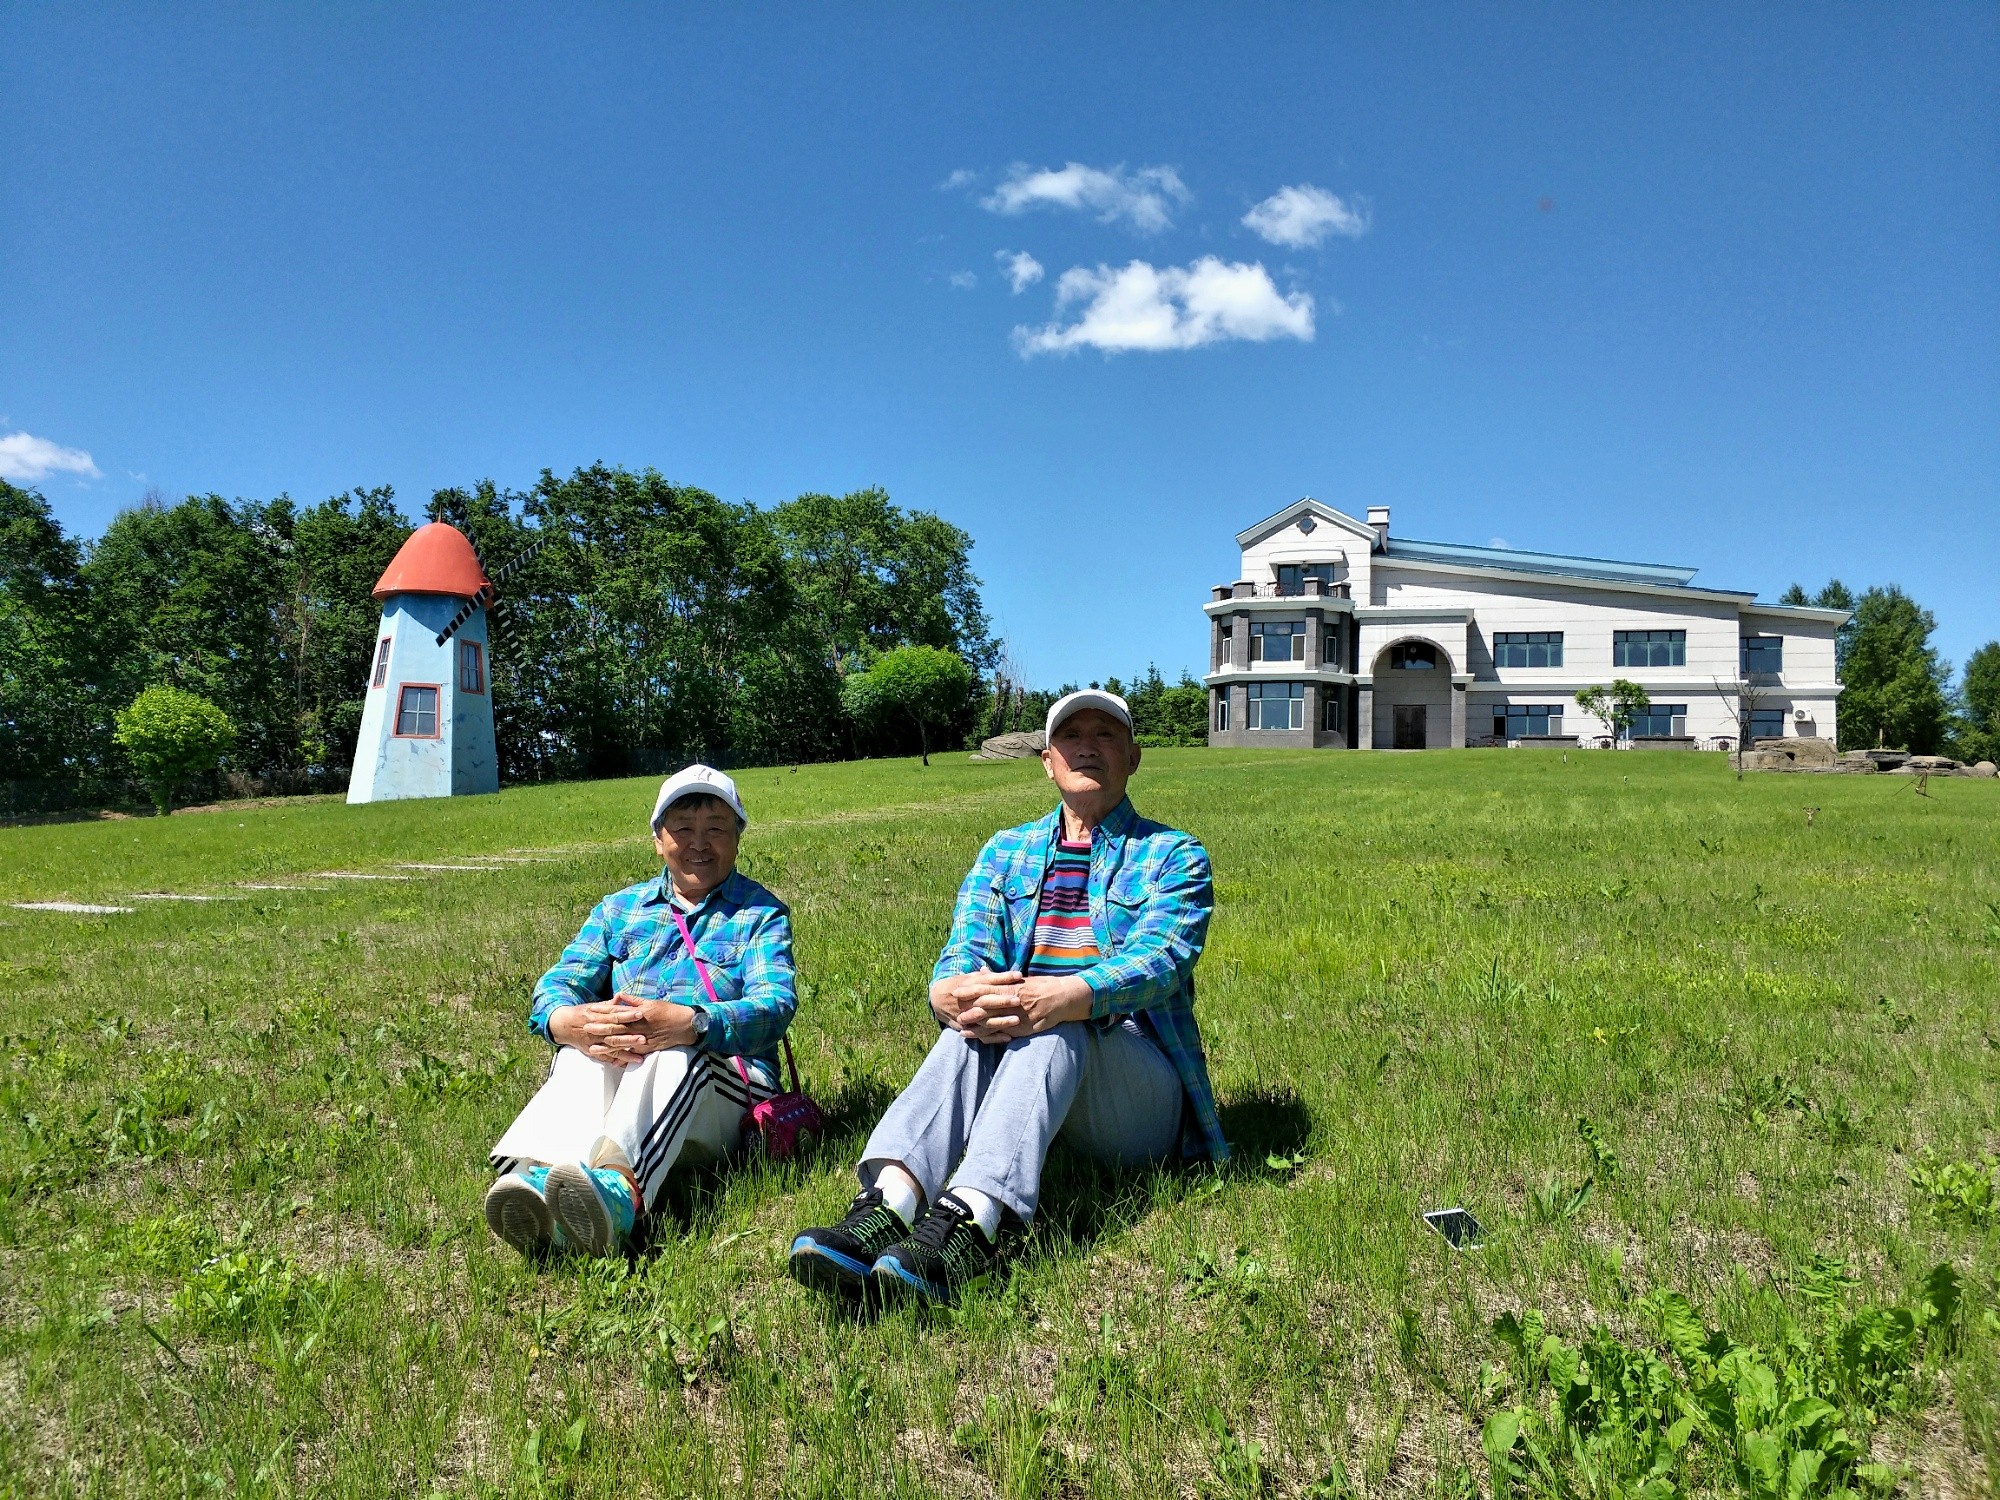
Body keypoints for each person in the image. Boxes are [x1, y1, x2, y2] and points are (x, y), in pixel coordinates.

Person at [788, 690, 1223, 1303]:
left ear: (1133, 757)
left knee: (1061, 1022)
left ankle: (971, 1223)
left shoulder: (1172, 855)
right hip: (1022, 1074)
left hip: (1133, 1094)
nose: (1089, 747)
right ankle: (887, 1203)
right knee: (969, 1027)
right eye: (1073, 737)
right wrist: (950, 993)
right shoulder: (1005, 851)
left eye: (1106, 736)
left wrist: (1067, 995)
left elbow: (1161, 962)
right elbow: (965, 952)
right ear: (1049, 760)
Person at [485, 764, 797, 1257]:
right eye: (683, 829)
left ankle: (619, 1194)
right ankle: (537, 1181)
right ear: (658, 839)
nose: (699, 843)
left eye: (716, 828)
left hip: (724, 1090)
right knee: (583, 1049)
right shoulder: (619, 909)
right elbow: (560, 984)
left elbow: (775, 1005)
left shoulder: (760, 914)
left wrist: (693, 1024)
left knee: (672, 1053)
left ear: (737, 839)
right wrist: (567, 1023)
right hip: (631, 1077)